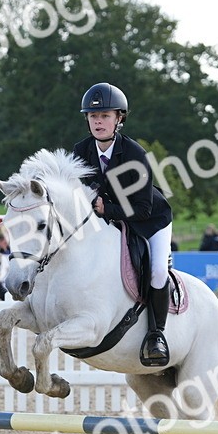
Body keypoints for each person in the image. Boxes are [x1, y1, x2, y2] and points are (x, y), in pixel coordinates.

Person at [71, 82, 173, 367]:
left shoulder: (134, 154)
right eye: (93, 117)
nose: (98, 121)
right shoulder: (81, 151)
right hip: (109, 221)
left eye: (105, 115)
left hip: (151, 220)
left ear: (119, 118)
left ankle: (156, 335)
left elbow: (143, 208)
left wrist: (107, 208)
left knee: (156, 270)